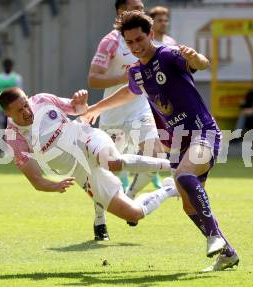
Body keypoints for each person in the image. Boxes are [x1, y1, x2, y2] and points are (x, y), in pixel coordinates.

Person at [84, 11, 239, 272]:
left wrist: (196, 58)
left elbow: (200, 63)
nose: (135, 46)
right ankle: (228, 254)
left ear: (151, 35)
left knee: (183, 177)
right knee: (188, 205)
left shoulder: (168, 55)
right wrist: (96, 108)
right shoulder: (136, 71)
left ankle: (216, 238)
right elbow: (128, 92)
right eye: (130, 42)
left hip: (203, 132)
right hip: (177, 143)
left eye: (139, 39)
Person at [0, 87, 177, 232]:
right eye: (19, 110)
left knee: (112, 162)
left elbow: (78, 110)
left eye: (25, 104)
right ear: (9, 114)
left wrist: (81, 103)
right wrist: (55, 186)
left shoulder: (41, 100)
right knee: (133, 213)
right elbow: (36, 180)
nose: (27, 111)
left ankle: (175, 165)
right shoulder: (13, 136)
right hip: (80, 171)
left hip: (85, 138)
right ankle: (170, 189)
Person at [88, 0, 163, 240]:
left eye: (142, 6)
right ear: (120, 11)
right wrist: (124, 77)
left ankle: (129, 199)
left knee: (155, 154)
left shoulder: (146, 39)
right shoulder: (110, 41)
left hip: (140, 110)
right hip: (113, 115)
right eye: (134, 6)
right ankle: (100, 220)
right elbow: (93, 78)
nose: (141, 10)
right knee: (102, 172)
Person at [0, 58, 23, 129]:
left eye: (9, 65)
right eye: (6, 65)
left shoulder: (17, 78)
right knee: (4, 124)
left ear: (11, 66)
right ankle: (6, 139)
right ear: (4, 66)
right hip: (2, 106)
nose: (8, 67)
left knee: (11, 124)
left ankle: (10, 139)